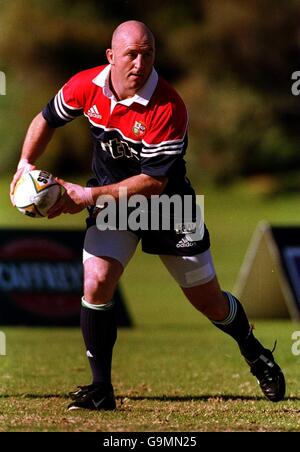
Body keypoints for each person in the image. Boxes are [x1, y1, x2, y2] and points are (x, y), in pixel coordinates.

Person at [10, 20, 285, 411]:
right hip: (112, 206)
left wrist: (87, 195)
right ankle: (101, 389)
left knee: (209, 302)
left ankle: (254, 351)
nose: (140, 63)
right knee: (97, 280)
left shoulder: (168, 106)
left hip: (169, 208)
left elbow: (154, 184)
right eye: (131, 54)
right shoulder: (85, 86)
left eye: (148, 54)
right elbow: (46, 120)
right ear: (111, 57)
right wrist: (24, 164)